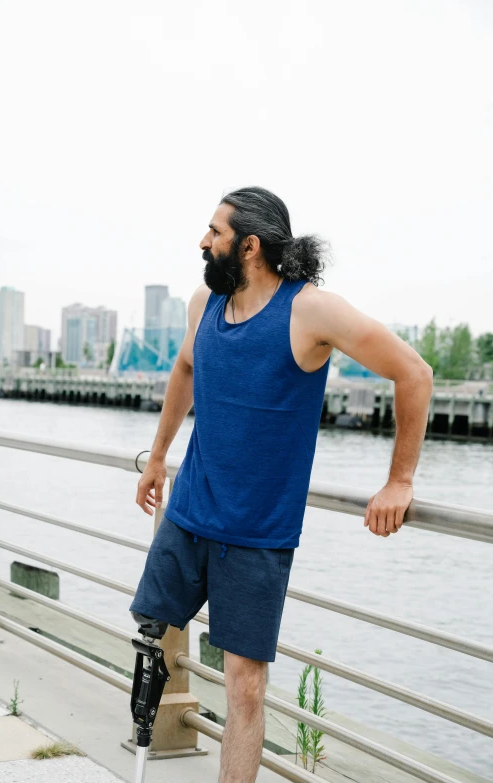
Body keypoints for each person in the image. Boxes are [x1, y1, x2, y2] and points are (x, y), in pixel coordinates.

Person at [129, 186, 433, 782]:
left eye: (213, 232)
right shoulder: (204, 304)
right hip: (188, 512)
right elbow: (187, 367)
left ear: (249, 246)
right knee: (148, 646)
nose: (202, 242)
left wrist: (399, 480)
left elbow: (414, 373)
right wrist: (158, 456)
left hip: (256, 535)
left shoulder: (310, 312)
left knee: (244, 688)